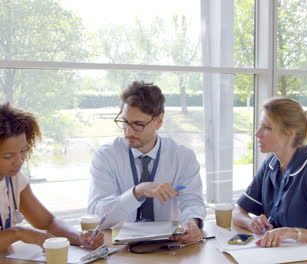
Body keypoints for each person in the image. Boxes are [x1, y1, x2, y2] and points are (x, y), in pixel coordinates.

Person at [88, 81, 206, 244]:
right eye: (125, 123)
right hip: (120, 248)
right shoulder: (105, 156)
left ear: (159, 121)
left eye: (138, 124)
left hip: (170, 246)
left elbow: (192, 200)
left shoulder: (183, 156)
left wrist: (192, 223)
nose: (129, 132)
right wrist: (137, 191)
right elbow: (101, 215)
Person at [233, 97, 307, 262]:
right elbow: (238, 212)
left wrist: (293, 232)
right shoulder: (270, 165)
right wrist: (251, 223)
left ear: (290, 133)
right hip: (280, 257)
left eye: (266, 128)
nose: (257, 134)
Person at [0, 102, 104, 252]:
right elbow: (20, 233)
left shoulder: (15, 179)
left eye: (23, 151)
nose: (19, 160)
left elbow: (48, 223)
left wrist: (80, 238)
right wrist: (18, 233)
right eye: (8, 156)